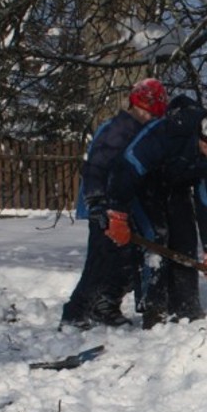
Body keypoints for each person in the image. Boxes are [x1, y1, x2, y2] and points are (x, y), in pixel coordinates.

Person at [103, 95, 207, 327]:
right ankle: (154, 309)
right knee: (155, 235)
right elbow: (128, 166)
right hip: (141, 187)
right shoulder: (167, 132)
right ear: (206, 142)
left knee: (185, 239)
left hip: (175, 189)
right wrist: (117, 212)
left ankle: (186, 307)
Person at [61, 78, 169, 329]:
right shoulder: (117, 130)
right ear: (133, 105)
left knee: (125, 259)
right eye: (144, 112)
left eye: (152, 114)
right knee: (101, 261)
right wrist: (97, 203)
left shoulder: (139, 131)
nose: (147, 117)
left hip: (123, 206)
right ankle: (75, 313)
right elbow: (95, 168)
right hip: (104, 206)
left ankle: (105, 305)